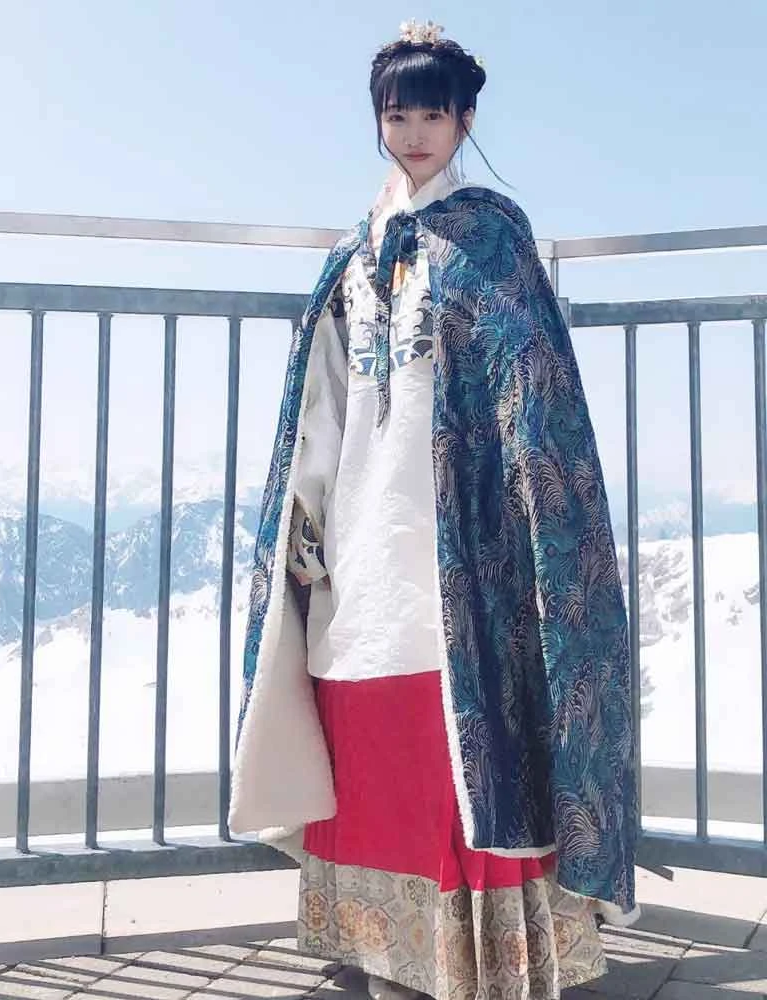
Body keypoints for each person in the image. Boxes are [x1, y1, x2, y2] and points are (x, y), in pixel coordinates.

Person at [229, 17, 639, 1000]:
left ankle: (476, 958)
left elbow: (532, 397)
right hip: (365, 519)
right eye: (394, 114)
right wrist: (306, 515)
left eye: (430, 114)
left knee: (458, 725)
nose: (411, 133)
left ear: (463, 118)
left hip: (467, 534)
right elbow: (322, 397)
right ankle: (381, 946)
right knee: (363, 703)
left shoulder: (489, 236)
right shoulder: (354, 249)